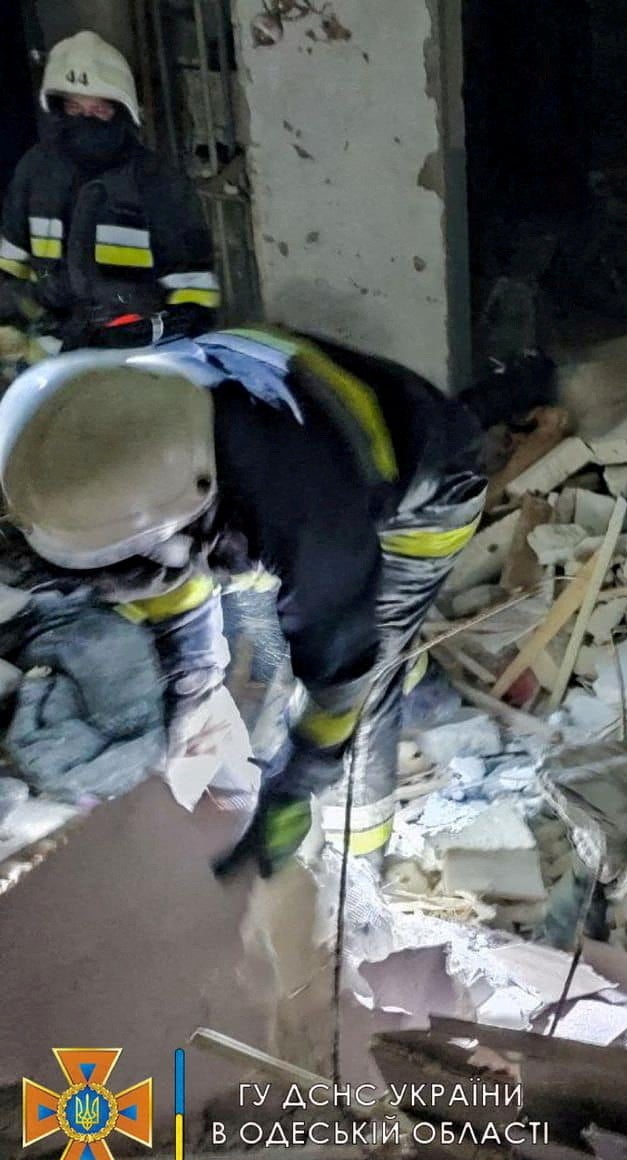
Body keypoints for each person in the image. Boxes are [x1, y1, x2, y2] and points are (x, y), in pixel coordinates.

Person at [0, 326, 485, 874]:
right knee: (246, 621)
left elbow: (344, 668)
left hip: (429, 486)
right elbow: (167, 581)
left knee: (371, 673)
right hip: (282, 429)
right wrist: (184, 683)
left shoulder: (307, 525)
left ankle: (363, 865)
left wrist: (298, 785)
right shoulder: (89, 416)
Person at [0, 32, 219, 351]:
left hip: (137, 364)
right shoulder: (35, 171)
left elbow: (196, 294)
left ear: (122, 111)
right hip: (46, 367)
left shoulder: (158, 181)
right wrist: (29, 305)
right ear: (59, 109)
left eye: (99, 109)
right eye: (75, 108)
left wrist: (152, 324)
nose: (87, 120)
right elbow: (8, 266)